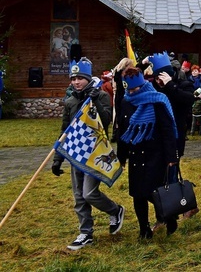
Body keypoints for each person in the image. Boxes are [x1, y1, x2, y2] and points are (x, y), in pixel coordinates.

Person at [52, 58, 124, 250]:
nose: (76, 82)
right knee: (79, 197)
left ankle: (115, 210)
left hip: (96, 152)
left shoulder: (100, 95)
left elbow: (107, 120)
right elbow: (64, 130)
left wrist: (94, 101)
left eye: (80, 78)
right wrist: (57, 159)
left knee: (89, 193)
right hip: (76, 153)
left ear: (87, 78)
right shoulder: (69, 101)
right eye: (73, 78)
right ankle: (86, 233)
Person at [117, 66, 179, 239]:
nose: (133, 92)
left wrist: (171, 156)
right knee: (138, 194)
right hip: (136, 152)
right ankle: (144, 229)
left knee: (154, 192)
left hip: (155, 153)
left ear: (143, 84)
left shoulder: (157, 99)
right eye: (130, 89)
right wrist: (121, 157)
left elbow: (167, 129)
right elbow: (123, 129)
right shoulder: (126, 101)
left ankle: (169, 216)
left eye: (136, 88)